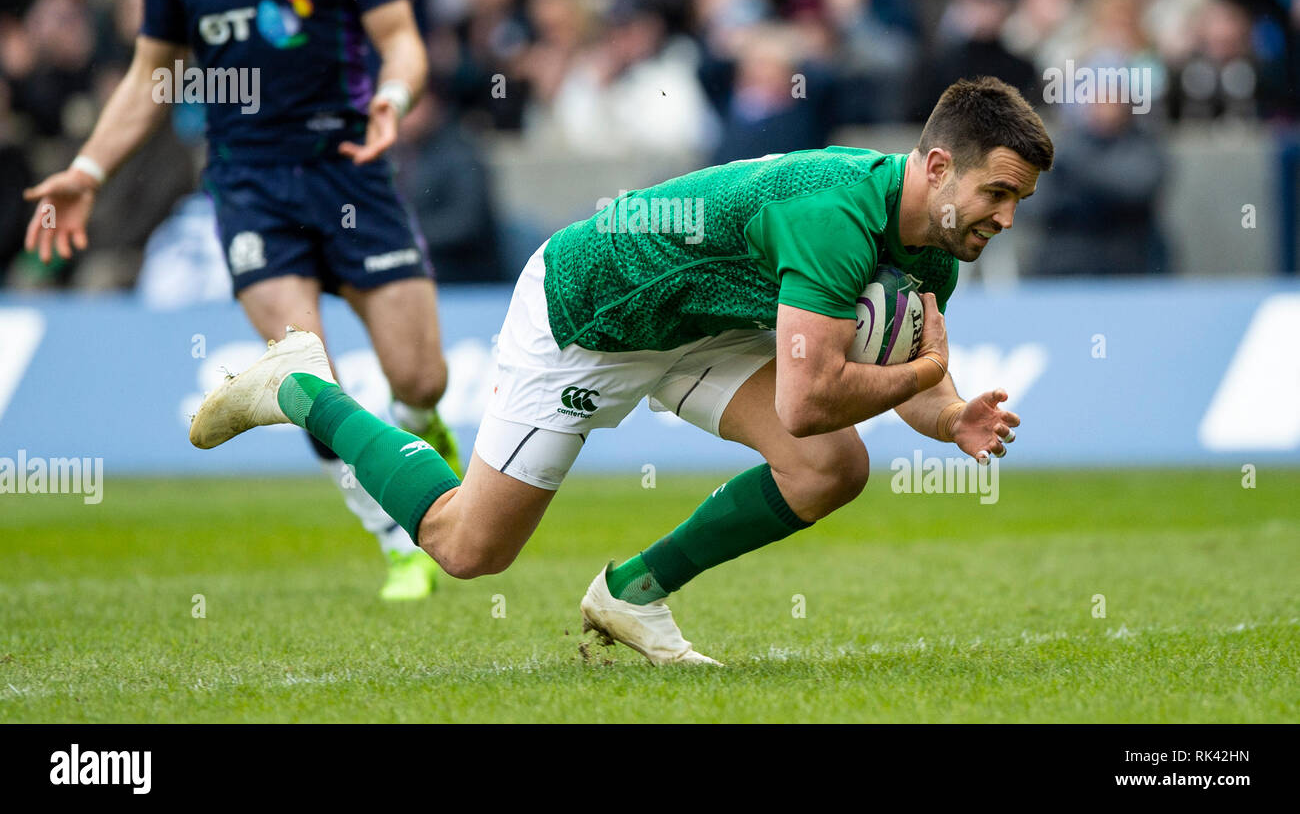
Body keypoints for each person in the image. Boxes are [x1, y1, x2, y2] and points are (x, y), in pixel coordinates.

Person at [189, 76, 1051, 664]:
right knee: (466, 545)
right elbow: (810, 393)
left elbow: (903, 369)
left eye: (1018, 201)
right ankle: (300, 384)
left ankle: (631, 593)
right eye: (997, 193)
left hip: (701, 321)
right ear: (938, 166)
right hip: (593, 313)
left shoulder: (938, 242)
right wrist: (925, 374)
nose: (1005, 218)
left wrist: (948, 413)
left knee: (831, 468)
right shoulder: (835, 214)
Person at [22, 0, 460, 600]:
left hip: (350, 170)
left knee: (421, 378)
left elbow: (401, 36)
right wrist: (87, 166)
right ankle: (397, 534)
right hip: (251, 182)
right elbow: (154, 75)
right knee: (305, 377)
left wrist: (396, 96)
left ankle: (422, 432)